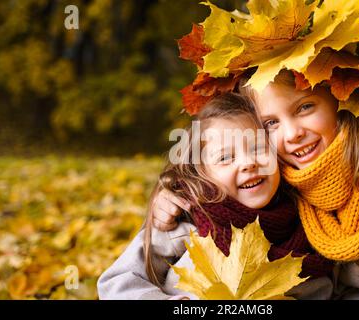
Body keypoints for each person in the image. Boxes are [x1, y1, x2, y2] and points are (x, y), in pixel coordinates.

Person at [153, 0, 359, 299]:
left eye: (305, 107)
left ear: (341, 99)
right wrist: (171, 196)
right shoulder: (274, 174)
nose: (293, 134)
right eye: (270, 123)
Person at [97, 93, 334, 300]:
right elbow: (117, 282)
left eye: (258, 149)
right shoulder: (187, 221)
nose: (248, 163)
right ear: (203, 173)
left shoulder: (309, 227)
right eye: (225, 158)